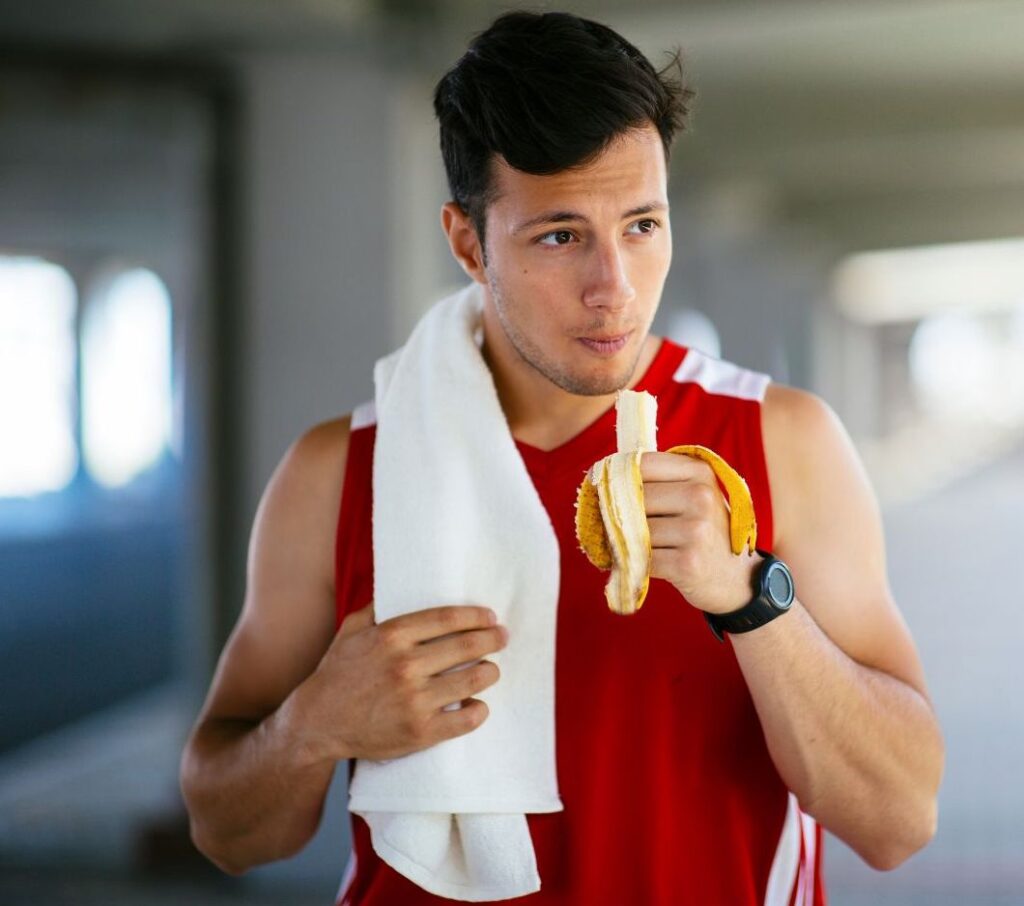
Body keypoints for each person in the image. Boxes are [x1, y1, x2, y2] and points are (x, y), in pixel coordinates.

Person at [180, 10, 943, 905]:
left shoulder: (784, 443)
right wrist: (311, 725)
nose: (613, 287)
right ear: (468, 243)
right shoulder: (337, 473)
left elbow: (898, 822)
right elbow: (228, 834)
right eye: (560, 235)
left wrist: (748, 597)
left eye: (643, 226)